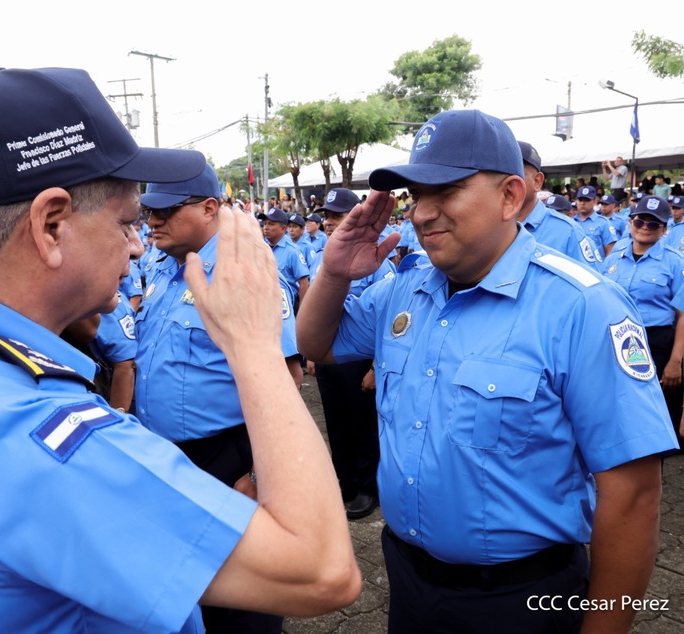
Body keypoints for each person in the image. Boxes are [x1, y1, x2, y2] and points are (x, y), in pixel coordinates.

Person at [0, 67, 360, 633]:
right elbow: (322, 570)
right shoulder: (34, 431)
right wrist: (253, 346)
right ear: (50, 225)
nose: (137, 243)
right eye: (126, 221)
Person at [296, 108, 678, 634]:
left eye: (445, 191)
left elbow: (633, 493)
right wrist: (335, 271)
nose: (422, 214)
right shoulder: (406, 288)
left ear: (510, 196)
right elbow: (317, 344)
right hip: (408, 578)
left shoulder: (582, 307)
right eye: (415, 196)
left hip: (522, 597)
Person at [135, 163, 304, 633]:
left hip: (225, 456)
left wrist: (257, 473)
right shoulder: (164, 268)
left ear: (209, 208)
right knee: (186, 587)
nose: (152, 221)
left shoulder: (245, 274)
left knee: (241, 600)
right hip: (165, 454)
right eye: (148, 210)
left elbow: (286, 380)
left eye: (166, 210)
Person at [306, 188, 395, 520]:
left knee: (363, 424)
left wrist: (375, 366)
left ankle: (368, 487)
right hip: (330, 354)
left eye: (336, 216)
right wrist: (313, 353)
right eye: (327, 216)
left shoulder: (375, 257)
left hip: (359, 356)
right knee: (336, 420)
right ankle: (344, 481)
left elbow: (386, 317)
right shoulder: (321, 255)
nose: (329, 223)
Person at [603, 196, 684, 444]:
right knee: (620, 406)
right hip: (616, 339)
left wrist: (675, 361)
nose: (645, 227)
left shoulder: (674, 262)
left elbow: (683, 314)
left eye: (653, 224)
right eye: (640, 221)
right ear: (630, 222)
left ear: (663, 229)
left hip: (657, 342)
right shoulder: (613, 259)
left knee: (655, 413)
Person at [516, 142, 602, 270]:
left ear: (537, 181)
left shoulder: (567, 232)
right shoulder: (492, 227)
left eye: (515, 174)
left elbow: (591, 285)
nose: (504, 181)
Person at [259, 207, 310, 309]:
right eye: (265, 223)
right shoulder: (262, 246)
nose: (266, 227)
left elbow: (304, 283)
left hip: (286, 307)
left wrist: (301, 311)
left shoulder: (292, 251)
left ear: (283, 228)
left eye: (271, 224)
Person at [575, 184, 617, 258]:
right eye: (580, 200)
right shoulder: (571, 222)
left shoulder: (603, 223)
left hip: (595, 268)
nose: (582, 203)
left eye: (587, 200)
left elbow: (610, 251)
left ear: (595, 201)